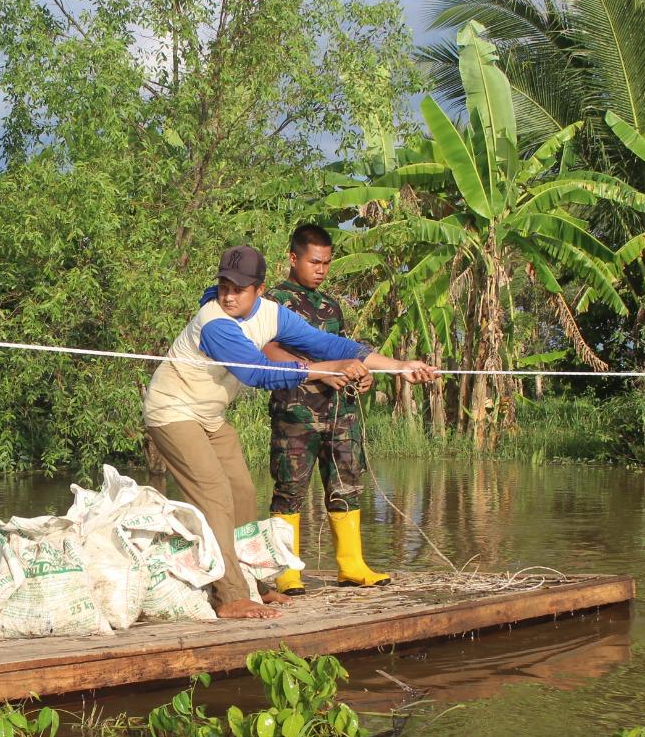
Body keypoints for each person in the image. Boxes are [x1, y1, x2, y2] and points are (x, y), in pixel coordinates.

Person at [143, 244, 438, 620]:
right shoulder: (215, 322)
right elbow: (258, 372)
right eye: (224, 286)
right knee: (215, 494)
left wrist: (398, 365)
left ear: (260, 290)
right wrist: (325, 370)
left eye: (239, 288)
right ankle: (230, 596)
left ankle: (257, 584)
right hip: (171, 410)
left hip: (209, 414)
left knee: (243, 491)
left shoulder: (273, 315)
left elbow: (328, 343)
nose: (229, 294)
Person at [261, 223, 392, 594]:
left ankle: (352, 566)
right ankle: (286, 571)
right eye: (314, 262)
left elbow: (342, 352)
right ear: (293, 258)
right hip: (296, 411)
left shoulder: (331, 305)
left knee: (346, 485)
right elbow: (267, 352)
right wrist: (318, 373)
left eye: (327, 263)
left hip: (340, 410)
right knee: (290, 487)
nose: (321, 269)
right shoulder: (273, 302)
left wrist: (363, 375)